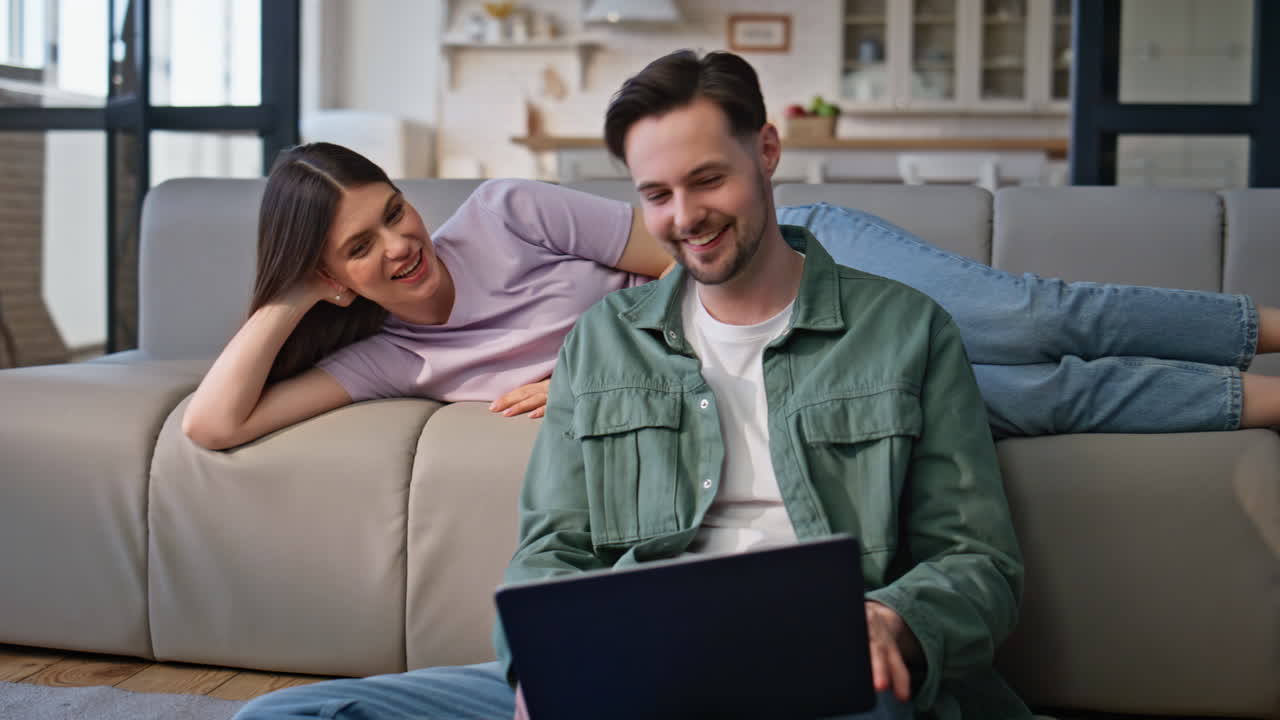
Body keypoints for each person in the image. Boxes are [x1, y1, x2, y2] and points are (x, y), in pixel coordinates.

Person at [234, 48, 1018, 720]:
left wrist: (890, 619)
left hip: (827, 664)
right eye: (657, 195)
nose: (686, 216)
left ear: (768, 152)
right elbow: (550, 550)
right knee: (289, 712)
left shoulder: (908, 330)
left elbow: (979, 561)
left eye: (708, 179)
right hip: (635, 666)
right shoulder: (602, 345)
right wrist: (535, 665)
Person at [183, 140, 1280, 451]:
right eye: (360, 248)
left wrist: (591, 359)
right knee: (1023, 397)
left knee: (1023, 318)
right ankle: (1266, 403)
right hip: (773, 367)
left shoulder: (506, 211)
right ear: (332, 274)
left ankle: (1268, 329)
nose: (401, 242)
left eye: (393, 212)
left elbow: (700, 261)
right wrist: (287, 296)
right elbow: (219, 423)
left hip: (791, 262)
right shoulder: (393, 360)